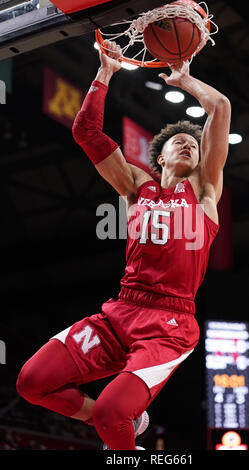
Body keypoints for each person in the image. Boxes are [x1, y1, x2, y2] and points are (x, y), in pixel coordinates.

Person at [16, 41, 231, 450]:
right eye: (178, 142)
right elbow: (86, 132)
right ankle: (123, 424)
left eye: (194, 143)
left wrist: (187, 82)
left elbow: (220, 108)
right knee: (31, 383)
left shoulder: (204, 192)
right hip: (121, 311)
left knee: (111, 414)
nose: (188, 143)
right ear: (160, 157)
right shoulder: (136, 186)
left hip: (169, 326)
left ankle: (119, 432)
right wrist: (105, 74)